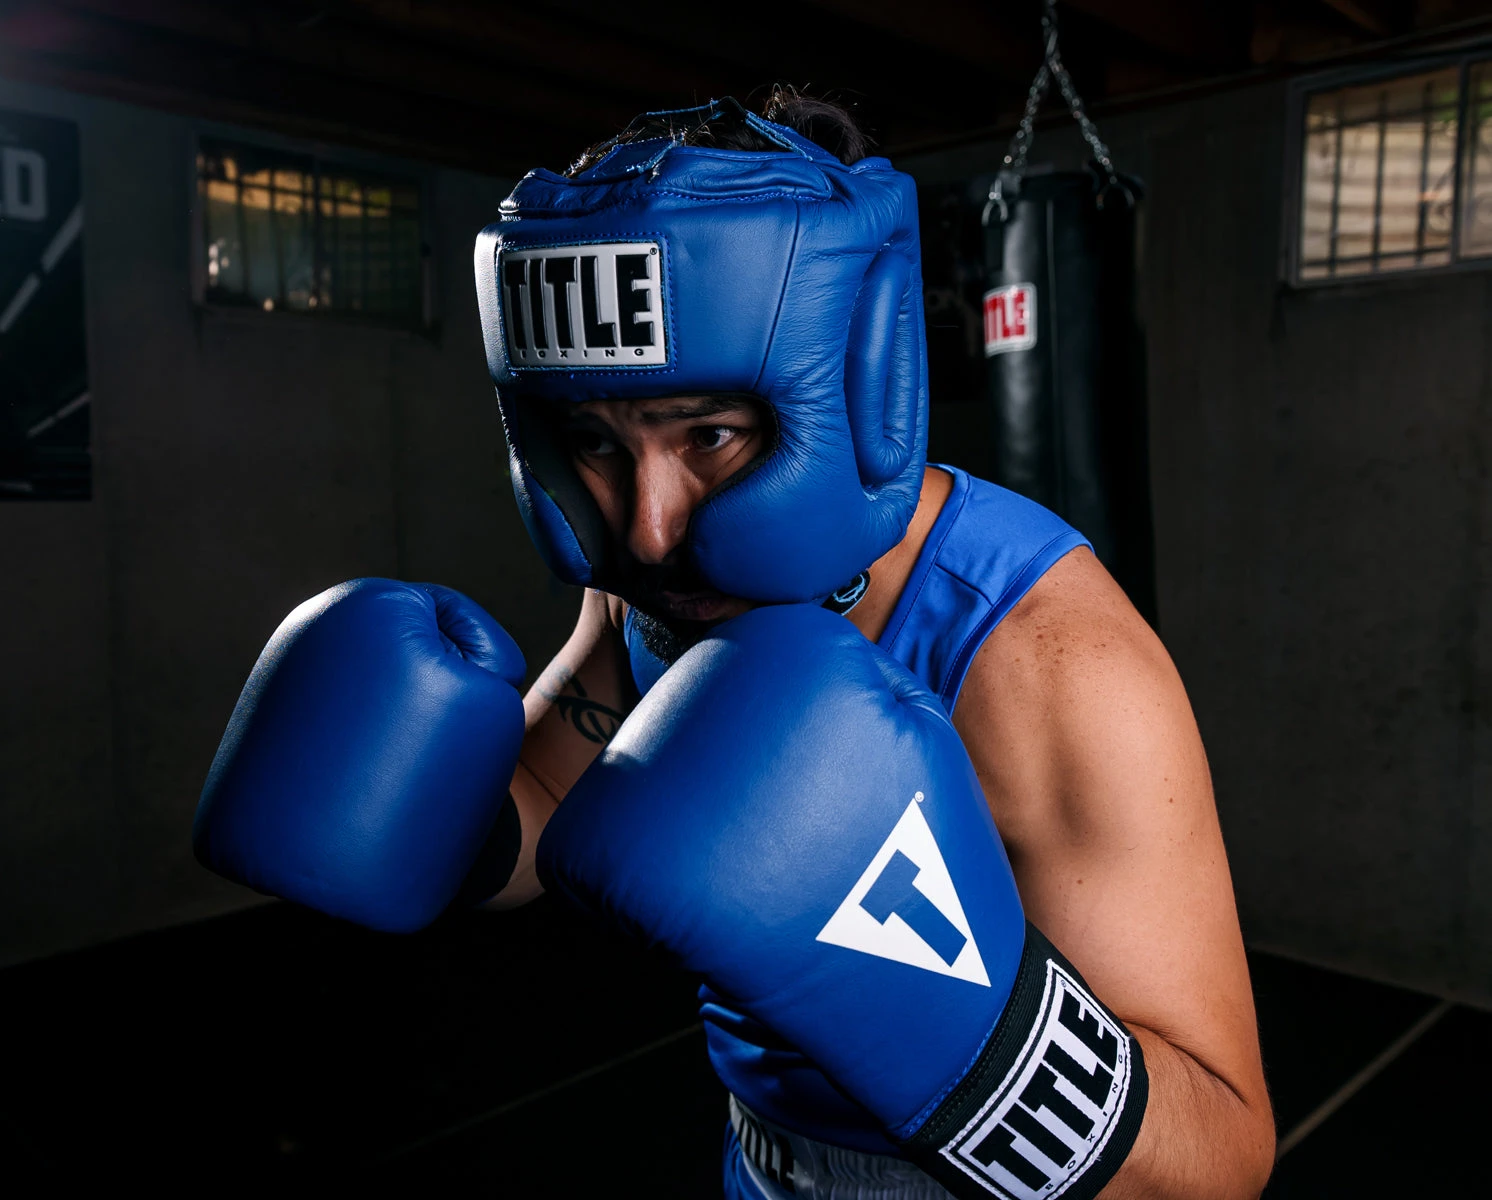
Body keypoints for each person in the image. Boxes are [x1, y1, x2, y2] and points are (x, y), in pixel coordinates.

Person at [194, 91, 1274, 1198]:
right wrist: (413, 793)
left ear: (850, 390)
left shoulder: (1049, 657)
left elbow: (1218, 1163)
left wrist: (971, 1038)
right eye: (596, 445)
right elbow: (543, 801)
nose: (651, 526)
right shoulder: (657, 592)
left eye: (710, 434)